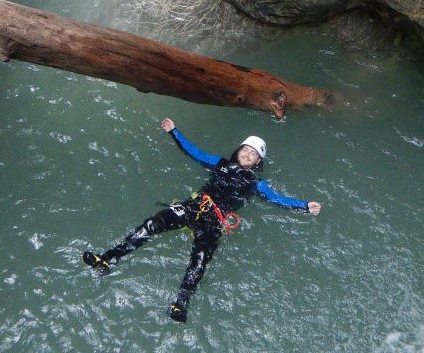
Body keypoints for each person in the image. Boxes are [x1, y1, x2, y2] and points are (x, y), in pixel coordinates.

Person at [82, 117, 322, 323]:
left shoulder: (257, 184)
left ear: (258, 162)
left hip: (213, 222)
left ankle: (180, 304)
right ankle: (107, 259)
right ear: (238, 151)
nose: (247, 154)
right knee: (151, 225)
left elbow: (277, 199)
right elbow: (194, 152)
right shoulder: (219, 164)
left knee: (199, 262)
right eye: (245, 150)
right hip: (193, 207)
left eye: (253, 154)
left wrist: (304, 206)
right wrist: (174, 131)